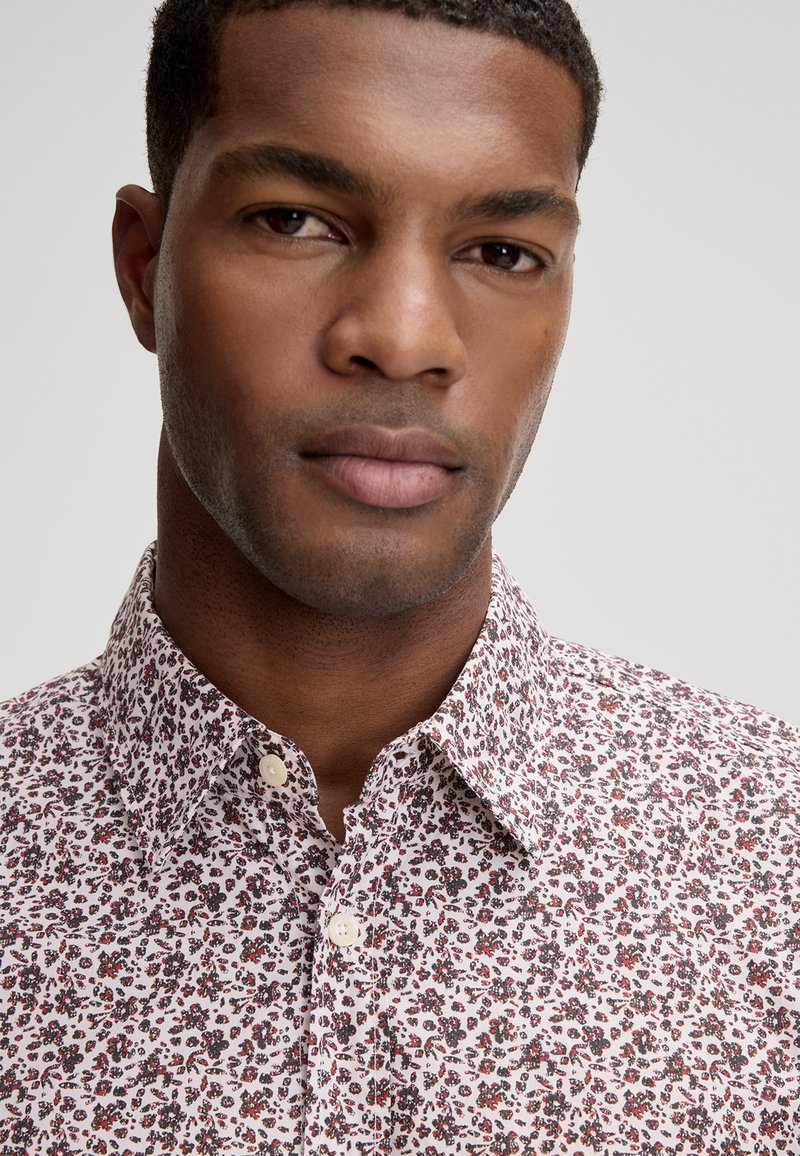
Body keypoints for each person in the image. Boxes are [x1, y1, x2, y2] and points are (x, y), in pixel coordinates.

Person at [0, 0, 797, 1151]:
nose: (407, 335)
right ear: (142, 266)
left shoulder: (769, 855)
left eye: (501, 251)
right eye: (295, 220)